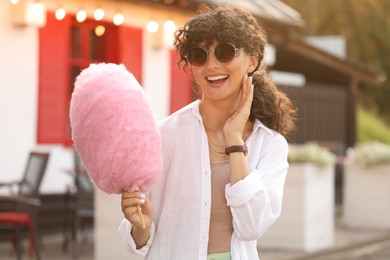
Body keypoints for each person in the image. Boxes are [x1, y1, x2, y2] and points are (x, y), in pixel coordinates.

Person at [119, 5, 296, 260]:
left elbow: (252, 227)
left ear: (252, 61)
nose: (211, 65)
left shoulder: (270, 145)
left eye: (225, 52)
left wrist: (234, 140)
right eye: (199, 55)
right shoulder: (164, 136)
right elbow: (140, 239)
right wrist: (140, 227)